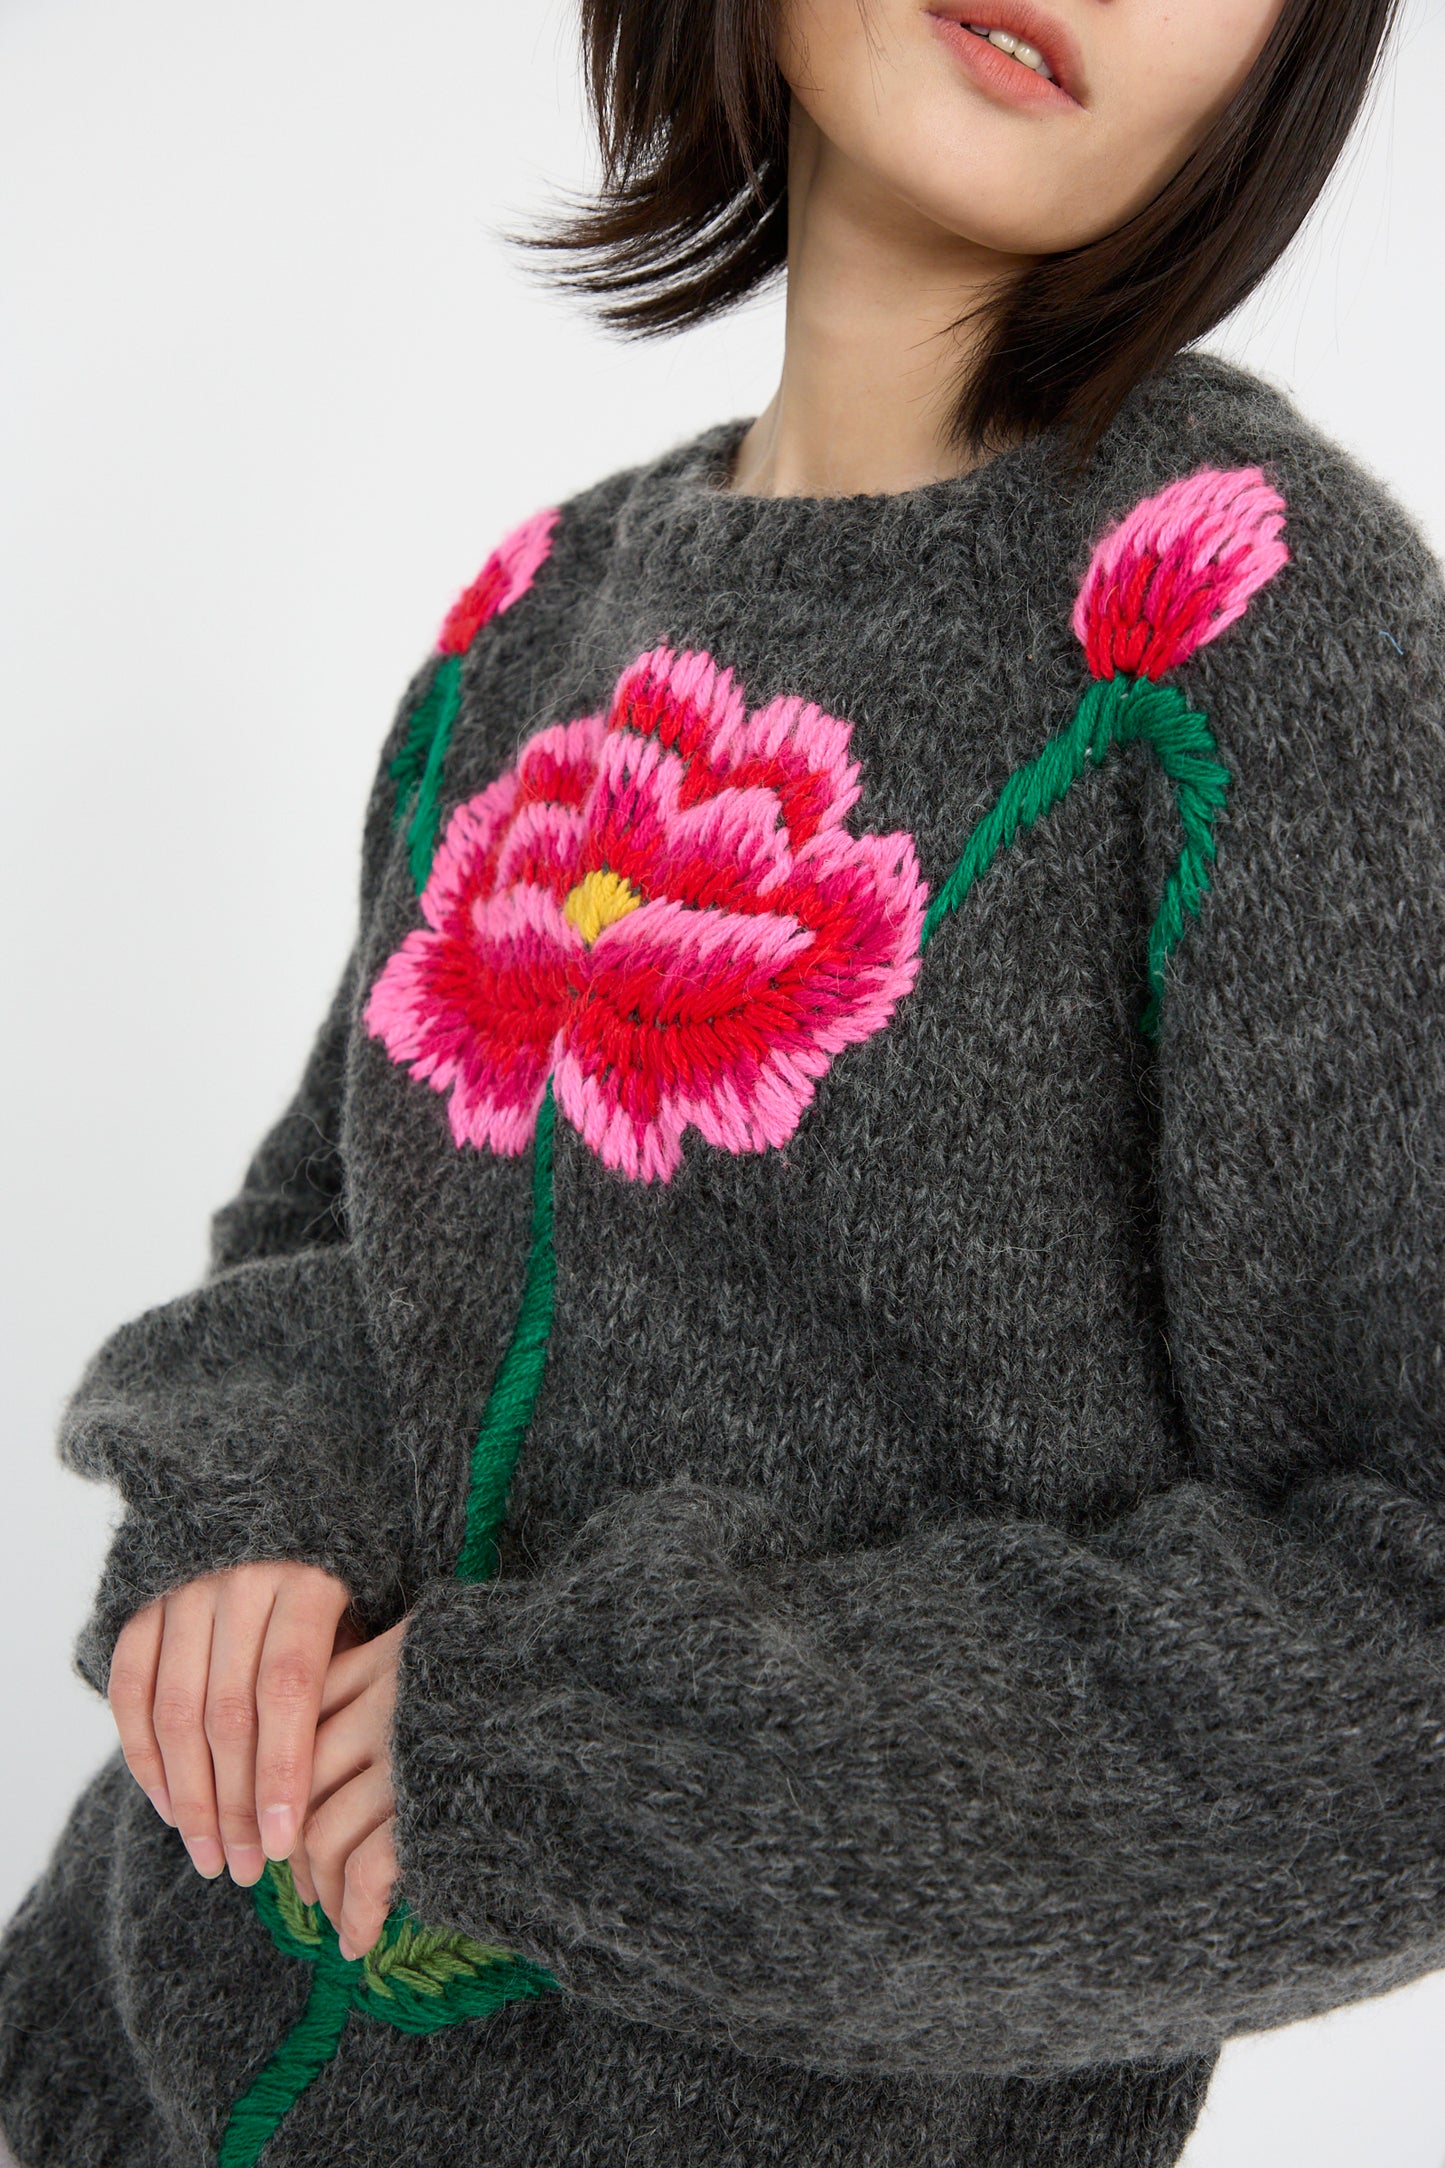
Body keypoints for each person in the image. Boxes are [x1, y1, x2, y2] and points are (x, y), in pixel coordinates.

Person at [3, 0, 1442, 2162]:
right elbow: (328, 1233)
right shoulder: (529, 618)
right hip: (110, 2054)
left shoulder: (1236, 639)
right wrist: (249, 1514)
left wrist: (619, 1752)